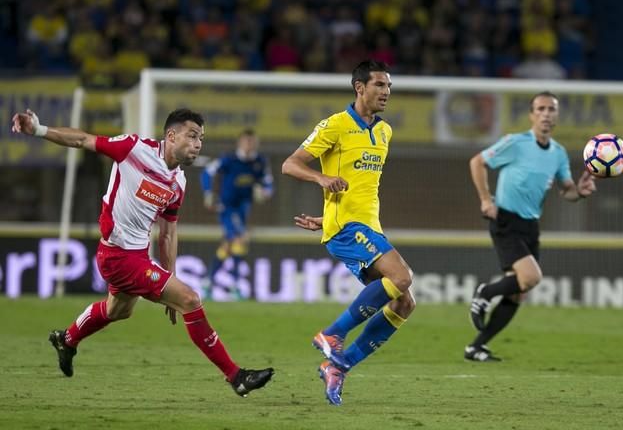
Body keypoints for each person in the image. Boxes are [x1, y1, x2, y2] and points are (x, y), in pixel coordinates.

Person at [11, 108, 273, 397]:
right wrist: (38, 129)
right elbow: (83, 140)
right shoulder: (133, 148)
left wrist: (169, 277)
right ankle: (236, 376)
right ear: (171, 136)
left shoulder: (178, 183)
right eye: (192, 135)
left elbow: (168, 233)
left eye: (201, 138)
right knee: (190, 299)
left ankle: (67, 339)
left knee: (118, 310)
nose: (198, 144)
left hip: (138, 256)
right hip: (117, 255)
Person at [281, 60, 415, 405]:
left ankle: (338, 366)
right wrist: (321, 179)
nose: (386, 92)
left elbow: (360, 188)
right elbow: (290, 164)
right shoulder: (335, 125)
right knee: (401, 276)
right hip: (347, 227)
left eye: (389, 87)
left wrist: (325, 218)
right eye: (379, 85)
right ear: (360, 87)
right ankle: (332, 333)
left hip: (366, 226)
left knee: (403, 303)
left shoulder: (384, 132)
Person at [466, 91, 596, 362]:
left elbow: (567, 191)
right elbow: (477, 162)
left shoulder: (558, 154)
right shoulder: (516, 143)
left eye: (551, 109)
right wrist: (485, 199)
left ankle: (476, 347)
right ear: (532, 115)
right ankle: (485, 292)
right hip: (506, 220)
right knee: (531, 278)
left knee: (517, 294)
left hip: (531, 225)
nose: (546, 113)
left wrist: (580, 192)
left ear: (557, 116)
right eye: (541, 109)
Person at [200, 128, 274, 299]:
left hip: (244, 208)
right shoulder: (228, 160)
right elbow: (207, 172)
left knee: (228, 244)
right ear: (240, 143)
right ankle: (234, 285)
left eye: (252, 142)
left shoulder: (260, 162)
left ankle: (208, 282)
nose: (249, 145)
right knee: (240, 239)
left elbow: (268, 183)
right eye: (246, 142)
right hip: (227, 207)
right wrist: (208, 192)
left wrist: (266, 191)